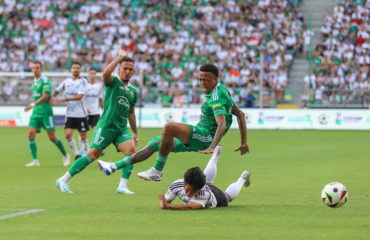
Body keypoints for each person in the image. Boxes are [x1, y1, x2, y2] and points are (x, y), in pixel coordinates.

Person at [97, 63, 249, 182]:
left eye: (206, 80)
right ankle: (113, 166)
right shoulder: (221, 90)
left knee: (169, 127)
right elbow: (240, 114)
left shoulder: (216, 97)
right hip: (200, 134)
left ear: (216, 79)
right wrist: (244, 142)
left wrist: (212, 146)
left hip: (206, 137)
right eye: (200, 79)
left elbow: (221, 124)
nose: (202, 82)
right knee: (155, 143)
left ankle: (157, 171)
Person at [55, 49, 138, 194]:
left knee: (131, 152)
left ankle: (122, 186)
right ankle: (64, 179)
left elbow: (131, 113)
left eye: (131, 69)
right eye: (125, 68)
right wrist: (119, 57)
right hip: (106, 126)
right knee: (92, 155)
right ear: (119, 68)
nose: (128, 71)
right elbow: (106, 73)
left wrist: (135, 132)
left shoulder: (133, 91)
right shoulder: (113, 82)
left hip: (121, 129)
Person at [158, 146, 251, 210]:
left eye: (193, 191)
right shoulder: (176, 185)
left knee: (226, 197)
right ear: (185, 183)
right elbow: (164, 204)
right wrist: (164, 203)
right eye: (187, 189)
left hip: (216, 197)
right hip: (203, 184)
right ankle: (215, 155)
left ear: (199, 189)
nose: (189, 194)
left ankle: (243, 178)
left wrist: (168, 206)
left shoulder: (204, 193)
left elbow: (190, 207)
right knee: (206, 180)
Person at [24, 61, 70, 167]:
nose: (35, 69)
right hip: (36, 113)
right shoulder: (33, 82)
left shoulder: (45, 80)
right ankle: (35, 160)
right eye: (33, 68)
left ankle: (65, 155)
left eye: (37, 68)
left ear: (41, 69)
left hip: (46, 112)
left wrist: (32, 105)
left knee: (52, 137)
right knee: (30, 134)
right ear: (31, 70)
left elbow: (45, 96)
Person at [51, 62, 89, 161]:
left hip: (81, 113)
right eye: (74, 68)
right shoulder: (66, 81)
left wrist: (64, 99)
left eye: (77, 68)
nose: (75, 69)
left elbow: (79, 96)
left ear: (80, 70)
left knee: (83, 136)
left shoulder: (83, 81)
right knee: (67, 134)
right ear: (71, 69)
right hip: (70, 114)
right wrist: (50, 97)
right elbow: (57, 91)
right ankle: (77, 154)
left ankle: (85, 155)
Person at [81, 67, 105, 156]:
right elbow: (80, 98)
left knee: (97, 131)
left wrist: (104, 110)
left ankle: (97, 148)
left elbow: (100, 100)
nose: (92, 75)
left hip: (95, 112)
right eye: (91, 73)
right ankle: (82, 150)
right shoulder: (84, 85)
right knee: (83, 132)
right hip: (84, 113)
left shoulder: (98, 86)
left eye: (94, 73)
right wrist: (84, 107)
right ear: (88, 74)